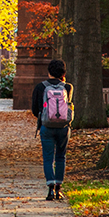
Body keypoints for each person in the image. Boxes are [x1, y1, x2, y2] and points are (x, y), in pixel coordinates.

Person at [31, 59, 73, 201]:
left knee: (48, 158)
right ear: (63, 73)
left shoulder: (40, 87)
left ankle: (50, 189)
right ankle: (59, 189)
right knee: (61, 157)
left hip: (46, 127)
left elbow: (34, 109)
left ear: (49, 71)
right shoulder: (67, 87)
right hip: (63, 128)